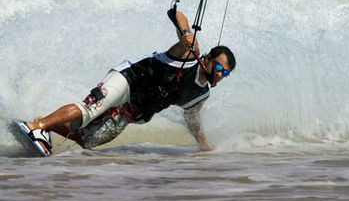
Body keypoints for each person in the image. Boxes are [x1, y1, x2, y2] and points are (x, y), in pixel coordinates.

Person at [19, 9, 236, 155]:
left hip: (134, 110)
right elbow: (177, 14)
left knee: (89, 140)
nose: (219, 75)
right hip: (128, 79)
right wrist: (186, 33)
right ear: (208, 59)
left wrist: (205, 148)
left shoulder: (200, 95)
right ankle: (35, 126)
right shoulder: (190, 54)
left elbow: (193, 120)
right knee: (90, 109)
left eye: (225, 73)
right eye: (218, 68)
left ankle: (46, 124)